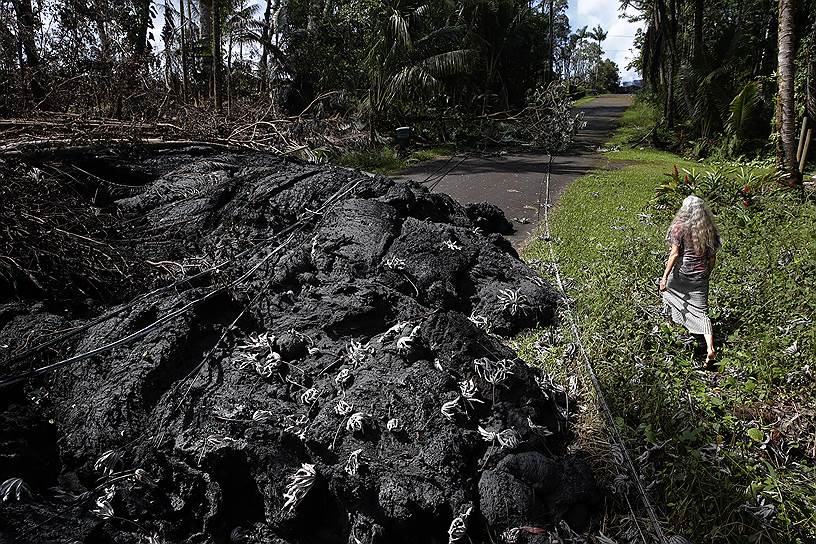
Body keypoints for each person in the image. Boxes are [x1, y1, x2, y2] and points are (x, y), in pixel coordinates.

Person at [659, 195, 722, 368]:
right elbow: (712, 257)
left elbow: (674, 254)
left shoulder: (678, 228)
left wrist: (664, 277)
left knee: (668, 294)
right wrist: (707, 272)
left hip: (682, 273)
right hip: (700, 276)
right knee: (702, 312)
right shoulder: (709, 230)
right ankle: (710, 347)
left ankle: (676, 326)